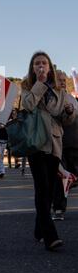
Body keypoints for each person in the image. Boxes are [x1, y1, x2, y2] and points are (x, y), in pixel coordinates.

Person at [21, 51, 75, 251]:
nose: (40, 66)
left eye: (44, 63)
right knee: (42, 187)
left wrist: (69, 113)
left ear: (50, 66)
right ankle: (50, 235)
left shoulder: (59, 90)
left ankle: (38, 229)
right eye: (37, 63)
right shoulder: (27, 86)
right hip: (36, 141)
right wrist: (40, 83)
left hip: (54, 142)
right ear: (32, 67)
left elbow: (62, 118)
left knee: (50, 190)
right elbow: (27, 105)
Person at [52, 71, 78, 220]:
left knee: (71, 176)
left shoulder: (71, 98)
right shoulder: (52, 98)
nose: (62, 82)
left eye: (63, 80)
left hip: (75, 144)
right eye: (59, 80)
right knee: (61, 178)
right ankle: (58, 208)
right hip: (59, 144)